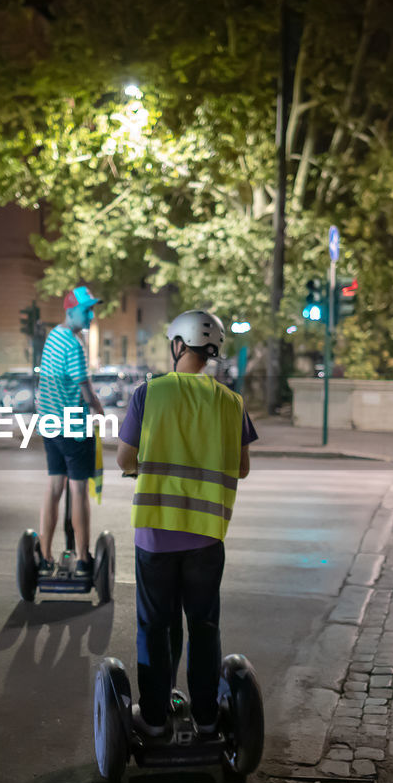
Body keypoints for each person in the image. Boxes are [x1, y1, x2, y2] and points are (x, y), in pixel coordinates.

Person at [116, 310, 259, 738]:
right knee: (203, 625)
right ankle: (207, 716)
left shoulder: (150, 393)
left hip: (157, 535)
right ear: (212, 351)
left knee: (156, 627)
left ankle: (156, 719)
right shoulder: (231, 402)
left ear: (178, 345)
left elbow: (125, 459)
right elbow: (242, 468)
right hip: (207, 537)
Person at [36, 286, 107, 574]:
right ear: (70, 311)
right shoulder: (74, 345)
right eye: (86, 310)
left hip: (49, 426)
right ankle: (81, 558)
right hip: (73, 429)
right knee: (78, 491)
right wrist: (99, 410)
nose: (90, 315)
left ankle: (44, 555)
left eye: (92, 310)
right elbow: (85, 388)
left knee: (54, 487)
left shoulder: (53, 337)